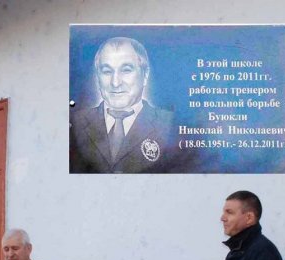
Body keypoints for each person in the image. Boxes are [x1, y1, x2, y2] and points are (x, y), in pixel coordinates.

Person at [70, 36, 197, 173]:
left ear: (145, 74)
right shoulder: (76, 124)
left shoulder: (170, 125)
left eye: (126, 70)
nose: (115, 82)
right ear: (97, 77)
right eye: (107, 71)